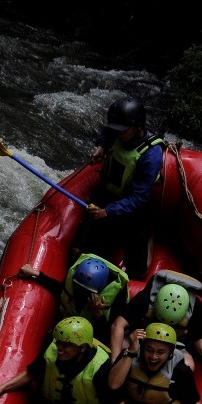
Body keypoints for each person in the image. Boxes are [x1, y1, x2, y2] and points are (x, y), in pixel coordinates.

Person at [72, 95, 165, 279]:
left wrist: (108, 212)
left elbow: (139, 198)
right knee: (77, 250)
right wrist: (100, 146)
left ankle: (149, 238)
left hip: (131, 207)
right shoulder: (120, 130)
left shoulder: (150, 155)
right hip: (105, 195)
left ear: (138, 127)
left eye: (122, 130)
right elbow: (107, 133)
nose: (118, 133)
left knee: (138, 270)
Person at [109, 272, 202, 373]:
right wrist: (115, 362)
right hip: (143, 340)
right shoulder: (145, 298)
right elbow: (118, 325)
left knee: (188, 365)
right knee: (122, 344)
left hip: (175, 347)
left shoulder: (195, 307)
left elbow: (199, 336)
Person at [17, 253, 129, 348]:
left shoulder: (115, 301)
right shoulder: (75, 286)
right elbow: (61, 290)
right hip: (68, 332)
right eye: (79, 287)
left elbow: (108, 336)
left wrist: (99, 316)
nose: (81, 293)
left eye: (86, 291)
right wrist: (37, 275)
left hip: (90, 343)